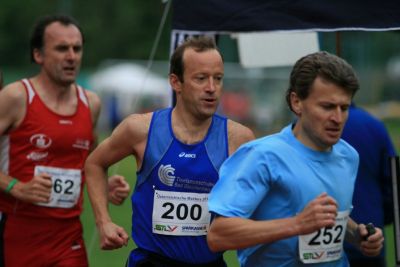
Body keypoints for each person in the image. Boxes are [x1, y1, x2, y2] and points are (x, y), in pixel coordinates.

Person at [84, 36, 255, 267]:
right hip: (151, 262)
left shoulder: (239, 138)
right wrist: (104, 222)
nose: (212, 88)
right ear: (176, 82)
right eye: (201, 78)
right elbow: (94, 163)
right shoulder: (140, 129)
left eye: (218, 78)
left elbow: (259, 202)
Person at [207, 51, 385, 267]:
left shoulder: (348, 156)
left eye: (344, 108)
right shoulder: (261, 155)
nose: (337, 118)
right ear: (297, 102)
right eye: (327, 107)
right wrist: (297, 224)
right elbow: (219, 235)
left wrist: (357, 234)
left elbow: (329, 218)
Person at [0, 14, 130, 267]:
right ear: (38, 55)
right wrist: (15, 185)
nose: (72, 56)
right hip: (17, 233)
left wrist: (103, 183)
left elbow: (88, 163)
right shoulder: (16, 97)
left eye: (77, 48)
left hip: (67, 237)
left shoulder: (90, 103)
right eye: (62, 49)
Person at [342, 103, 396, 267]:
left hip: (322, 243)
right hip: (370, 233)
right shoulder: (374, 125)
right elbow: (391, 181)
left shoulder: (309, 128)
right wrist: (384, 217)